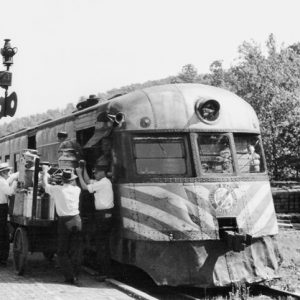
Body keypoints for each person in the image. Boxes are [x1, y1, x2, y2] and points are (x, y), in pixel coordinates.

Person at [42, 167, 82, 285]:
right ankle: (76, 275)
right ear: (72, 180)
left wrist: (45, 172)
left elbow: (45, 185)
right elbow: (73, 183)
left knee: (62, 251)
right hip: (77, 220)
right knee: (76, 250)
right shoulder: (77, 189)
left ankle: (70, 277)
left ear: (62, 180)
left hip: (65, 221)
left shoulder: (57, 189)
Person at [76, 160, 114, 281]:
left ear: (102, 172)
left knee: (101, 244)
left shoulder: (103, 183)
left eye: (96, 173)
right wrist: (84, 167)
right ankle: (104, 271)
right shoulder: (102, 181)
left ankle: (104, 272)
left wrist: (79, 174)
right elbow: (88, 181)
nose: (95, 175)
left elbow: (84, 187)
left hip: (104, 215)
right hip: (103, 215)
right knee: (101, 243)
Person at [0, 162, 18, 266]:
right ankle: (3, 259)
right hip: (1, 208)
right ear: (3, 172)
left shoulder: (2, 180)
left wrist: (15, 175)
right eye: (8, 171)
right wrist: (15, 183)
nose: (9, 173)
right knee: (3, 233)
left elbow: (9, 179)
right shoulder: (2, 182)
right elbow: (10, 192)